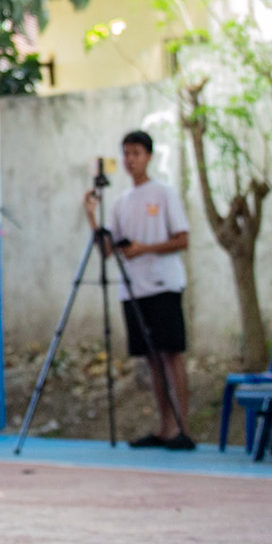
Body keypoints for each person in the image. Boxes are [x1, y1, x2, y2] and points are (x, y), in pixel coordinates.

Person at [85, 128, 193, 451]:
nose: (130, 160)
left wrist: (144, 248)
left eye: (136, 153)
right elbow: (107, 250)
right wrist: (92, 217)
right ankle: (164, 426)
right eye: (126, 153)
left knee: (171, 354)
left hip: (163, 283)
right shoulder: (120, 203)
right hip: (134, 289)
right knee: (151, 359)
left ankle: (182, 428)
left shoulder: (164, 194)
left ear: (148, 156)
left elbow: (182, 238)